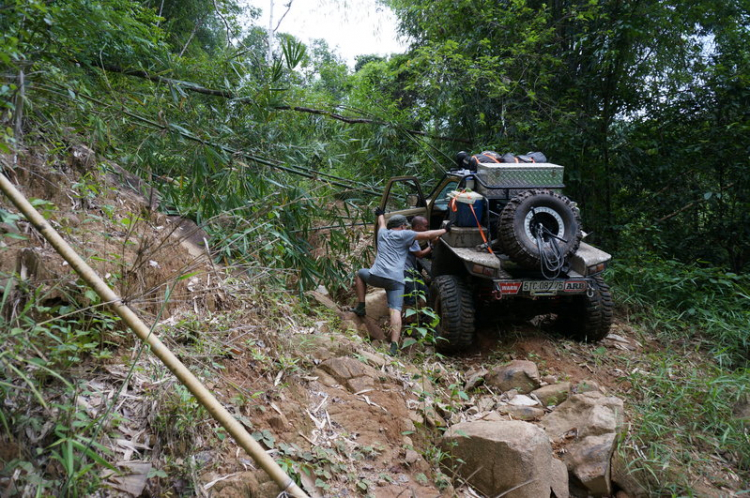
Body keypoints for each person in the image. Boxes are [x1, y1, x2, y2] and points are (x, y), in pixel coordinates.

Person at [354, 209, 449, 355]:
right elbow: (428, 235)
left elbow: (381, 223)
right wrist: (445, 229)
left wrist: (380, 214)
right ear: (402, 226)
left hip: (376, 276)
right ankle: (394, 345)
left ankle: (361, 306)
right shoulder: (406, 234)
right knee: (395, 310)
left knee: (360, 274)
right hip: (396, 281)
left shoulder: (382, 233)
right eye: (405, 226)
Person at [403, 216, 431, 306]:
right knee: (411, 300)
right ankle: (410, 318)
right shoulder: (411, 237)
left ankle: (423, 316)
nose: (427, 229)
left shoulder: (409, 235)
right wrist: (432, 246)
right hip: (406, 271)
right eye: (426, 226)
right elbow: (420, 254)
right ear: (418, 227)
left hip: (410, 270)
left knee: (424, 292)